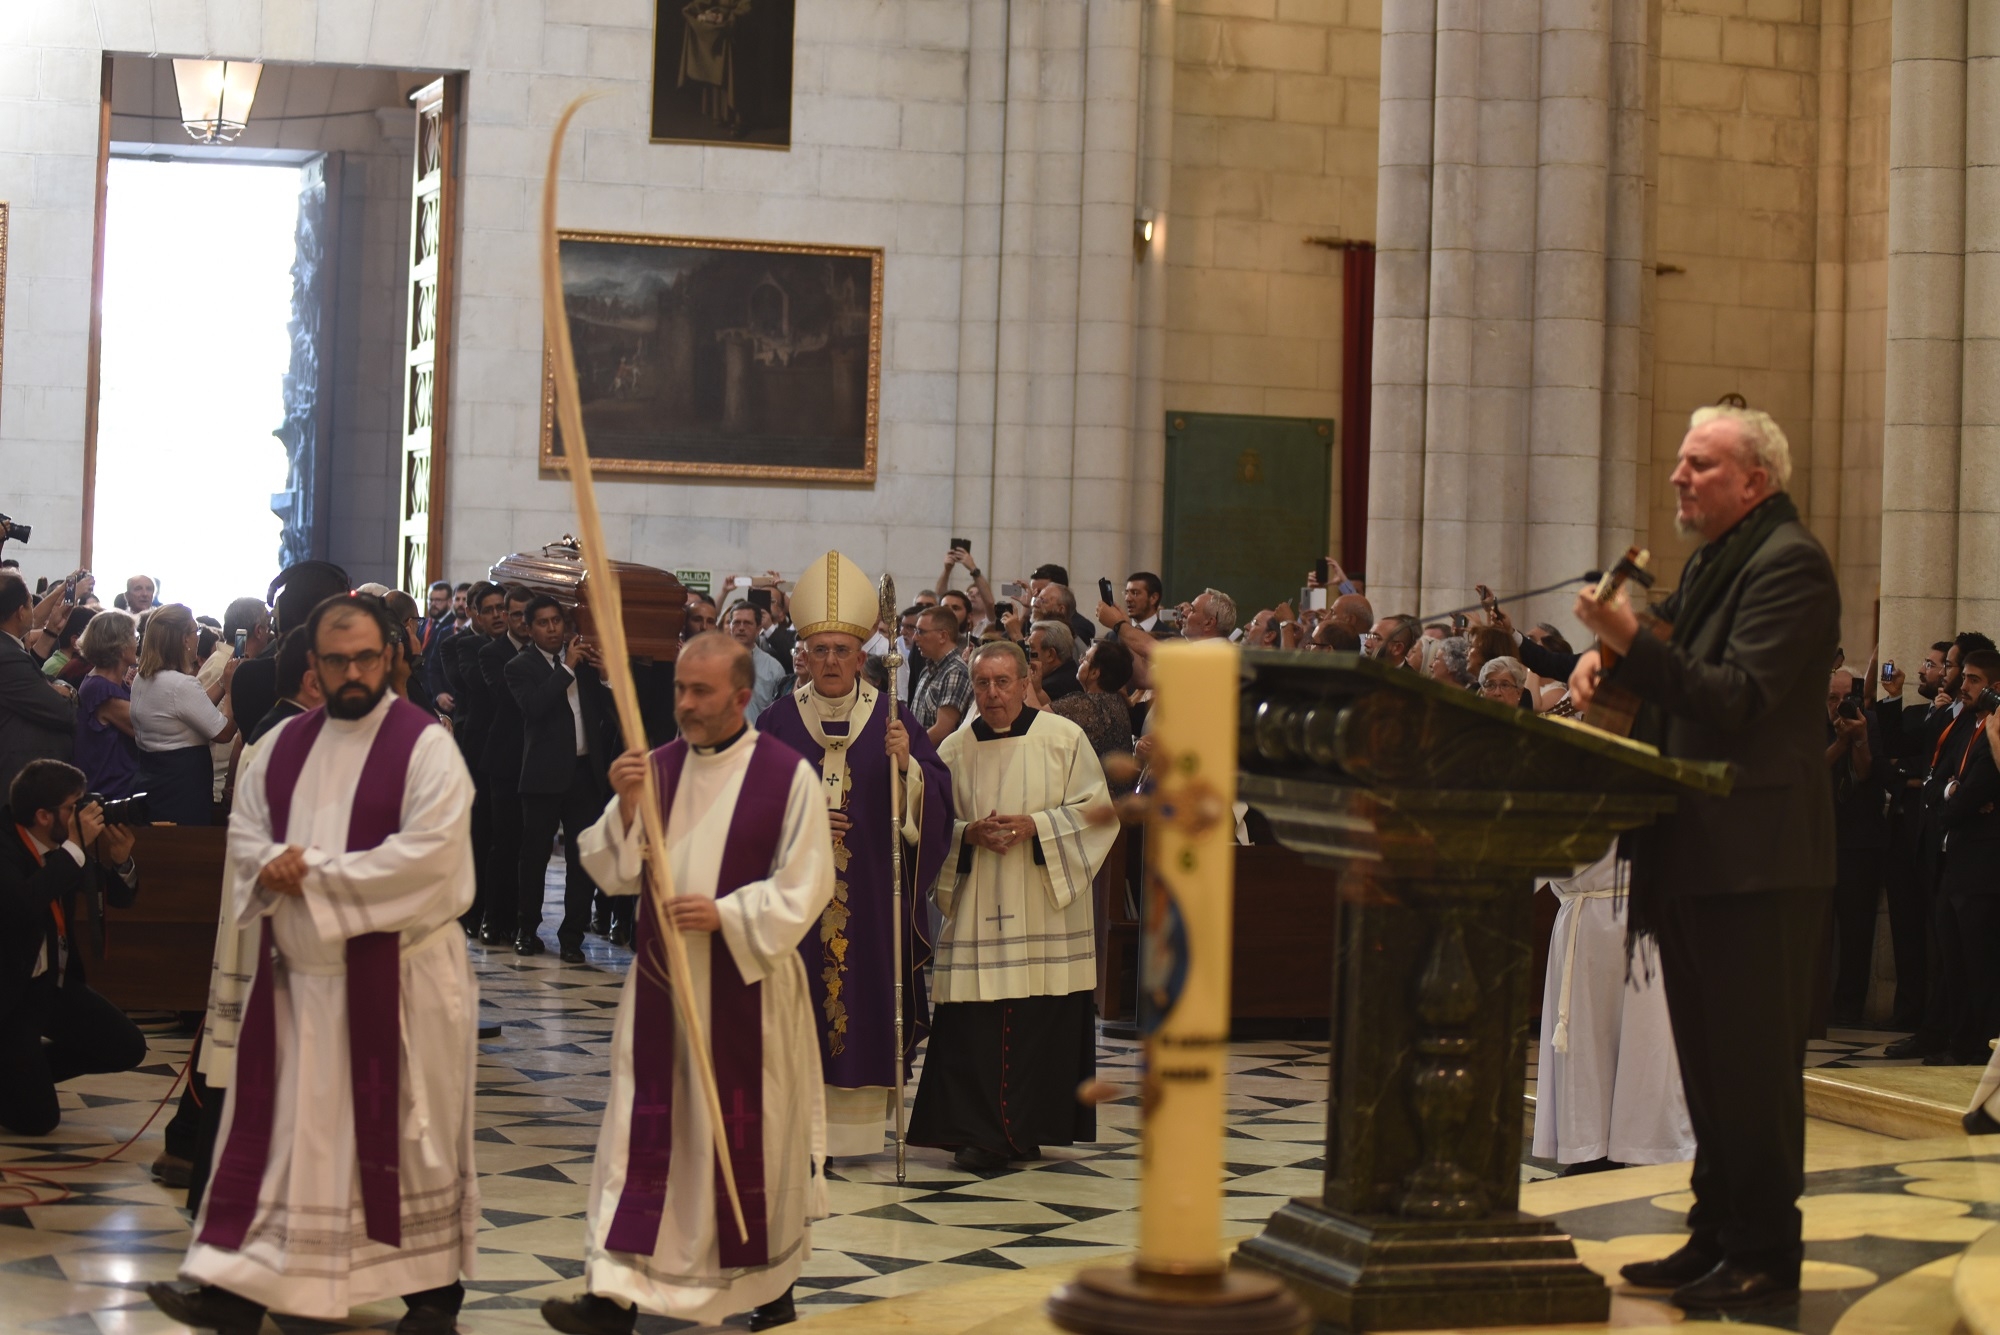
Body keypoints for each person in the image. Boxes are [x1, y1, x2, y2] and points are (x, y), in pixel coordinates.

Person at [148, 595, 478, 1335]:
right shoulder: (285, 746)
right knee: (287, 1139)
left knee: (410, 1139)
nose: (353, 671)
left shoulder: (427, 747)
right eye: (337, 660)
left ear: (391, 656)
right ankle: (238, 1290)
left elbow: (433, 858)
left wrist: (314, 875)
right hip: (300, 982)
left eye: (366, 656)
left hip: (401, 980)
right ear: (315, 667)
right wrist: (270, 865)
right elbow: (245, 837)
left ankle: (431, 1298)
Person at [1570, 404, 1839, 1311]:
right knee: (1710, 1062)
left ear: (1754, 480)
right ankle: (1717, 1231)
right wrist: (1601, 663)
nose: (1679, 476)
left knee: (1753, 1067)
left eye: (1700, 463)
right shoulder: (1714, 562)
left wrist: (1629, 644)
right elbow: (1662, 665)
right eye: (1681, 460)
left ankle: (1768, 1249)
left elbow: (1737, 697)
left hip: (1758, 858)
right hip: (1696, 848)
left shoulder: (1789, 563)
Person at [540, 633, 833, 1335]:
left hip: (748, 991)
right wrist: (629, 803)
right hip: (661, 992)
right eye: (678, 688)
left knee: (750, 1136)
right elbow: (609, 869)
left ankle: (768, 1283)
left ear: (740, 696)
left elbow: (807, 882)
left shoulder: (787, 775)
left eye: (700, 692)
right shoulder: (658, 768)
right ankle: (613, 1294)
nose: (685, 704)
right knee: (639, 1135)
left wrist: (725, 913)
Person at [754, 551, 955, 1158]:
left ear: (862, 655)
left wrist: (909, 769)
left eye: (843, 651)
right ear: (804, 657)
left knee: (865, 998)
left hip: (871, 895)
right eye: (821, 652)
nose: (832, 662)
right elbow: (747, 808)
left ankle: (859, 1130)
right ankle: (791, 1125)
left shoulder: (893, 718)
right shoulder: (778, 724)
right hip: (796, 903)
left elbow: (939, 798)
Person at [909, 640, 1115, 1170]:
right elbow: (932, 829)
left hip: (1043, 904)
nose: (993, 694)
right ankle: (976, 1132)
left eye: (1004, 682)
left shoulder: (1063, 738)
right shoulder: (954, 750)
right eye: (983, 684)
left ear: (1026, 682)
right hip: (980, 908)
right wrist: (967, 834)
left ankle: (1030, 1128)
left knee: (1039, 1022)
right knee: (974, 1025)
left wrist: (1037, 825)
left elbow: (1099, 813)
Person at [0, 760, 146, 1135]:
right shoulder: (7, 847)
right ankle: (19, 1082)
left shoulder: (63, 846)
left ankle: (18, 1079)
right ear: (43, 816)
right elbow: (24, 904)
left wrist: (120, 861)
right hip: (11, 994)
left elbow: (116, 897)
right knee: (37, 1122)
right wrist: (75, 847)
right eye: (74, 806)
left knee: (126, 1046)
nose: (86, 813)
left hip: (52, 983)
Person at [1531, 850, 1693, 1173]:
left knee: (1644, 1048)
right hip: (1585, 913)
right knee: (1587, 1053)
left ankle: (1641, 1152)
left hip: (1638, 913)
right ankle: (1592, 1154)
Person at [507, 595, 614, 962]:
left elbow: (609, 716)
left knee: (582, 859)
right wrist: (565, 669)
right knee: (534, 858)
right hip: (543, 776)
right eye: (543, 623)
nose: (552, 629)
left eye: (557, 621)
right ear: (530, 627)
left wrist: (604, 677)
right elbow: (534, 708)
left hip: (585, 774)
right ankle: (527, 930)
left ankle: (572, 938)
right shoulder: (520, 666)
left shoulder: (583, 662)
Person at [132, 604, 238, 825]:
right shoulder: (181, 684)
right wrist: (231, 690)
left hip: (155, 779)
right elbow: (224, 732)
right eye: (195, 631)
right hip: (183, 786)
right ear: (184, 639)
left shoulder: (142, 679)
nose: (197, 637)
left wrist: (221, 680)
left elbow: (195, 710)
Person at [1826, 667, 1889, 1027]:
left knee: (1856, 931)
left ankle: (1848, 1009)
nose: (1838, 706)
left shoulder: (1870, 722)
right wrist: (1839, 743)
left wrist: (1860, 737)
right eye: (1832, 699)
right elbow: (1812, 770)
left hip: (1860, 842)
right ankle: (1811, 1007)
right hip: (1819, 839)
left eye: (1843, 698)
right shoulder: (1810, 724)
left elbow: (1866, 773)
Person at [481, 586, 535, 953]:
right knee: (503, 844)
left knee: (530, 848)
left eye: (520, 614)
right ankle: (492, 917)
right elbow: (508, 696)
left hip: (539, 761)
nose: (515, 620)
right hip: (504, 760)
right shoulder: (492, 653)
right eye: (512, 614)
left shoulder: (547, 656)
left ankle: (523, 922)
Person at [0, 573, 76, 798]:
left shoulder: (9, 649)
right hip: (15, 785)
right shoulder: (6, 655)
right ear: (21, 611)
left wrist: (51, 631)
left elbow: (31, 673)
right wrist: (68, 690)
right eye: (31, 604)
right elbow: (61, 711)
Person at [73, 610, 141, 798]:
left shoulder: (111, 683)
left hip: (118, 787)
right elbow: (145, 728)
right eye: (134, 637)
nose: (137, 643)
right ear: (119, 645)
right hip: (110, 793)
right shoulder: (101, 689)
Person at [1048, 639, 1135, 774]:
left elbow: (1034, 716)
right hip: (1118, 786)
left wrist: (1025, 677)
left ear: (1095, 673)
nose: (1080, 660)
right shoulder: (1115, 698)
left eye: (1086, 659)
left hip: (1097, 789)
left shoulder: (1087, 704)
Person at [909, 606, 973, 745]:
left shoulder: (955, 672)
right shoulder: (927, 671)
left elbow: (942, 730)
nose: (915, 638)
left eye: (921, 632)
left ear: (943, 636)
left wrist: (910, 748)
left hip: (938, 761)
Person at [726, 601, 790, 722]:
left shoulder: (773, 668)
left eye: (747, 623)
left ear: (758, 629)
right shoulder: (714, 663)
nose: (741, 628)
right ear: (730, 627)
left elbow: (781, 713)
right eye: (736, 622)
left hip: (757, 737)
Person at [1028, 619, 1082, 704]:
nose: (1028, 656)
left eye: (1031, 649)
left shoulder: (1049, 688)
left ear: (1050, 654)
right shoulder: (1075, 673)